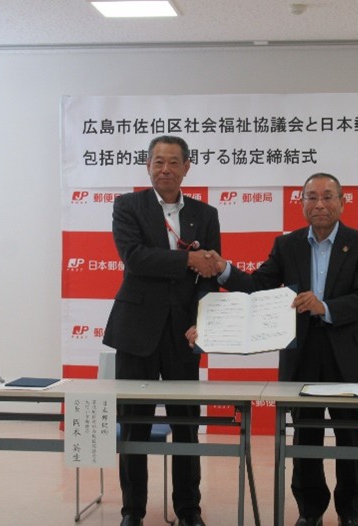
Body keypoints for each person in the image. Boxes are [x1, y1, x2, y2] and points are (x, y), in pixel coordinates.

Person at [191, 172, 358, 526]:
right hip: (302, 354)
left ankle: (350, 512)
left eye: (327, 196)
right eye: (311, 197)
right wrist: (223, 269)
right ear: (302, 203)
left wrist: (324, 307)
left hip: (350, 357)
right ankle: (310, 511)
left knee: (351, 438)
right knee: (305, 436)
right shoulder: (288, 245)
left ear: (342, 203)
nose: (320, 204)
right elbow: (258, 286)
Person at [103, 135, 221, 526]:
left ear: (187, 167)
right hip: (136, 332)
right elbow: (135, 258)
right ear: (148, 166)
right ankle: (132, 510)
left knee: (186, 425)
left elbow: (209, 274)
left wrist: (201, 320)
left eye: (173, 162)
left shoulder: (205, 214)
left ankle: (189, 510)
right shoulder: (128, 206)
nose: (165, 170)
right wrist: (187, 260)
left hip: (183, 334)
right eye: (158, 162)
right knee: (134, 426)